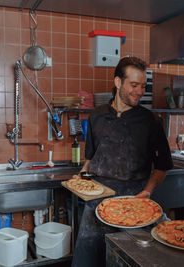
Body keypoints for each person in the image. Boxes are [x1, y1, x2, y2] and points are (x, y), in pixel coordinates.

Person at [71, 56, 173, 267]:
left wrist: (148, 192)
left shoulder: (151, 121)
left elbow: (162, 166)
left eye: (143, 86)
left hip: (134, 203)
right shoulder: (96, 116)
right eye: (134, 85)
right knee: (87, 261)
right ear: (118, 82)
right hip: (97, 203)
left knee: (125, 261)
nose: (139, 91)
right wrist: (80, 177)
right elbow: (90, 158)